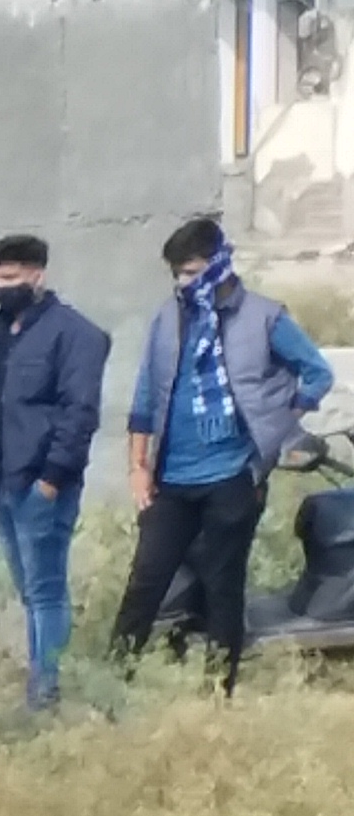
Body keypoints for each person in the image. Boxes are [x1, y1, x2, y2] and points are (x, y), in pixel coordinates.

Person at [117, 215, 334, 692]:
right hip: (172, 477)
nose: (184, 282)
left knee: (222, 585)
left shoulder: (264, 317)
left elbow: (316, 373)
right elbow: (145, 398)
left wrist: (279, 424)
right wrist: (138, 467)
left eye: (192, 271)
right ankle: (113, 681)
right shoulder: (168, 318)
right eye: (177, 273)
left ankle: (219, 690)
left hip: (234, 474)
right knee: (146, 582)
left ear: (220, 264)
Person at [0, 235, 110, 709]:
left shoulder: (76, 334)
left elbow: (80, 414)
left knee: (46, 591)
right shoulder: (0, 331)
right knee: (29, 592)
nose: (2, 286)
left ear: (38, 275)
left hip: (40, 484)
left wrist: (51, 480)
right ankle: (40, 684)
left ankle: (47, 692)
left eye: (11, 277)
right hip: (0, 482)